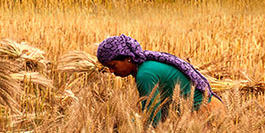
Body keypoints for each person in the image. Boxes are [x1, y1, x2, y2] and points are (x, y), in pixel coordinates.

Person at [96, 35, 224, 126]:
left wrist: (121, 129)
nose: (111, 72)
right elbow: (158, 112)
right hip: (211, 110)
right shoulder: (148, 65)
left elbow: (153, 120)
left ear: (128, 58)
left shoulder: (145, 74)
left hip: (205, 116)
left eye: (113, 66)